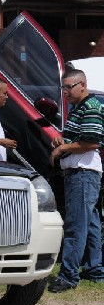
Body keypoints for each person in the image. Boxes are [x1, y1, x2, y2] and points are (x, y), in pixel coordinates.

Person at [48, 69, 104, 292]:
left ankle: (69, 276)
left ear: (82, 84)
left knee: (76, 227)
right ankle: (94, 270)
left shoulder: (90, 106)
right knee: (90, 226)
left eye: (68, 87)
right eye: (63, 88)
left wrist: (62, 147)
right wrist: (64, 140)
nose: (65, 92)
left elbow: (92, 142)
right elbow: (82, 138)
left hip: (82, 174)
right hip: (83, 174)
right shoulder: (80, 107)